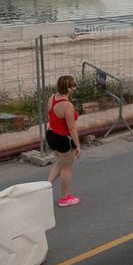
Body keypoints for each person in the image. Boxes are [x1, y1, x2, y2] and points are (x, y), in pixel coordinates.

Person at [46, 75, 82, 207]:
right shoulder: (67, 106)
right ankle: (64, 198)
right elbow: (72, 128)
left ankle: (46, 187)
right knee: (67, 168)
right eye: (73, 86)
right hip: (63, 139)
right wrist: (78, 145)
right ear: (68, 88)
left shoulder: (52, 98)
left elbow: (50, 116)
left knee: (60, 162)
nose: (75, 88)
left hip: (51, 134)